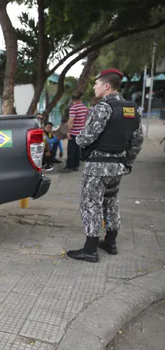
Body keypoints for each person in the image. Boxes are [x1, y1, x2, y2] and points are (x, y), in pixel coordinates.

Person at [66, 68, 143, 263]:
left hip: (97, 168)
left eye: (97, 84)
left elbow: (86, 138)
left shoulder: (102, 108)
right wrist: (129, 162)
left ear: (107, 86)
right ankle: (111, 242)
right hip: (118, 166)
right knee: (111, 201)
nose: (94, 87)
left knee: (91, 204)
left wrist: (79, 140)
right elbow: (137, 140)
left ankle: (90, 250)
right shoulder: (132, 109)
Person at [61, 94, 88, 172]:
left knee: (71, 150)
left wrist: (68, 132)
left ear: (72, 100)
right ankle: (76, 166)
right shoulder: (85, 108)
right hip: (81, 132)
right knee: (77, 150)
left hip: (74, 132)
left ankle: (69, 166)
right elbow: (86, 120)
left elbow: (71, 121)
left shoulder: (74, 108)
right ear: (80, 99)